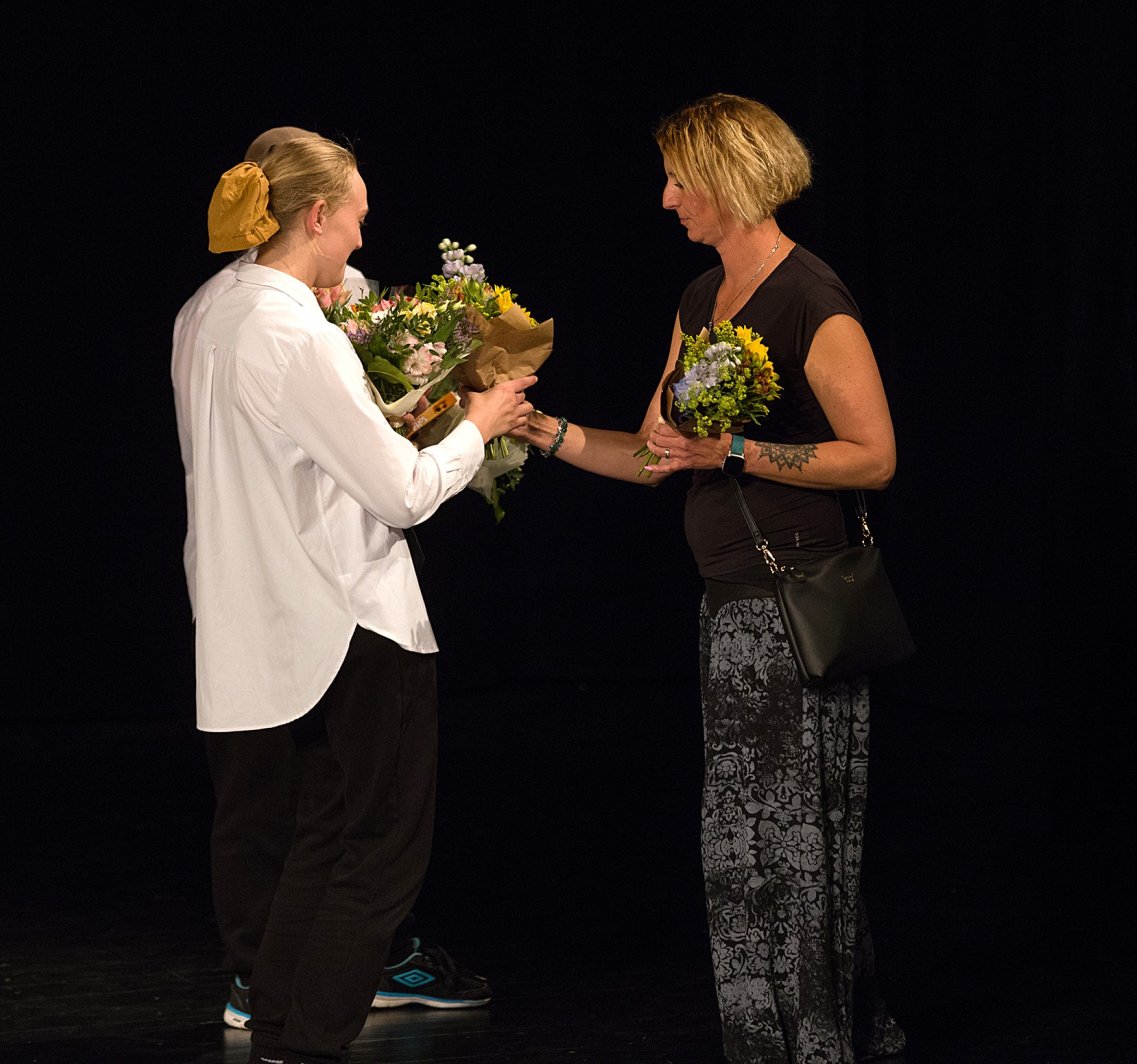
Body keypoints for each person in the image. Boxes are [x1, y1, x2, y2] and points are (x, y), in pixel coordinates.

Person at [519, 94, 907, 1062]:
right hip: (731, 610)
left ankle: (818, 1040)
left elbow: (874, 457)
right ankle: (785, 1035)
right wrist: (543, 432)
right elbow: (658, 455)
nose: (666, 198)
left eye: (679, 178)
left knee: (791, 842)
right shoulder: (702, 299)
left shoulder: (812, 300)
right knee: (745, 843)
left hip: (796, 604)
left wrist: (733, 450)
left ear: (728, 178)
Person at [172, 130, 534, 1064]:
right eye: (357, 221)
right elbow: (402, 493)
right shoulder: (295, 335)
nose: (362, 242)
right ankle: (306, 1045)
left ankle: (283, 1040)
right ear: (318, 215)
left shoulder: (206, 311)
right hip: (350, 619)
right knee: (377, 852)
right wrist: (479, 423)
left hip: (254, 616)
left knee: (321, 843)